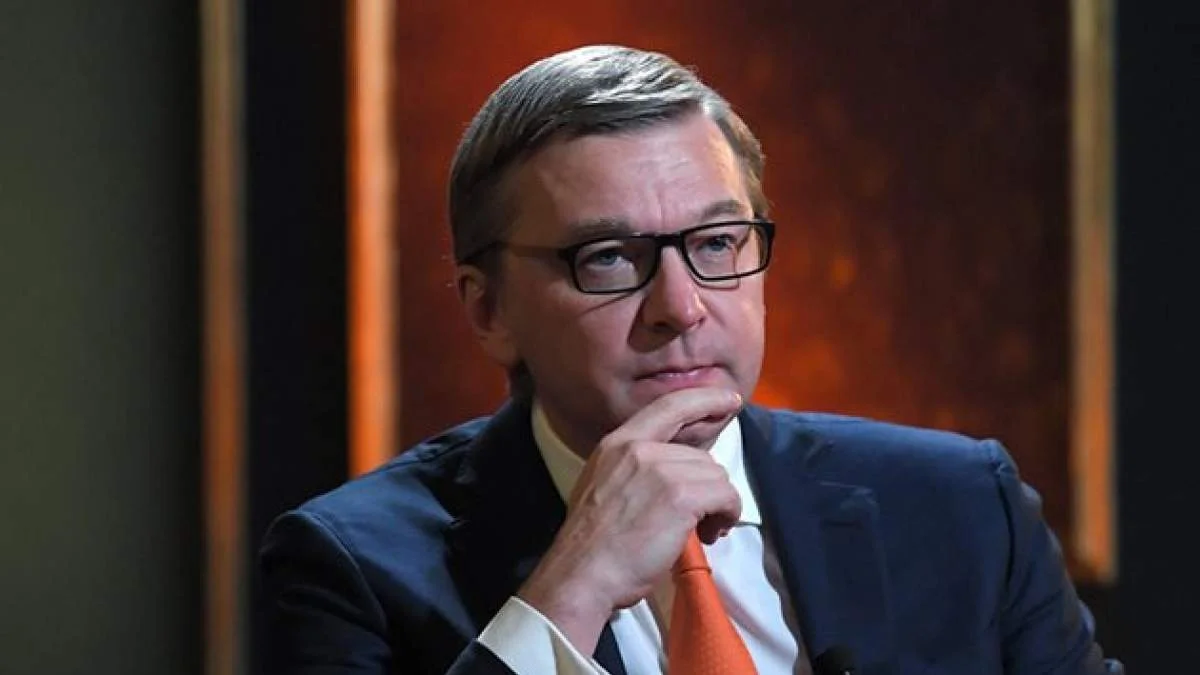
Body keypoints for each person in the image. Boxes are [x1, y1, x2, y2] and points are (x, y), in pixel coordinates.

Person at [259, 45, 1120, 674]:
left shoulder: (962, 508)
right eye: (608, 258)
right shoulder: (355, 568)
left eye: (715, 243)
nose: (681, 305)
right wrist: (576, 581)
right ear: (489, 311)